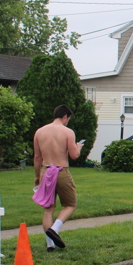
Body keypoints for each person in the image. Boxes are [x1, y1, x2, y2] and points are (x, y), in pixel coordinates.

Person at [32, 105, 84, 251]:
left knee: (48, 208)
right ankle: (55, 229)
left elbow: (37, 157)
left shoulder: (39, 132)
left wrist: (37, 176)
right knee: (70, 204)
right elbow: (74, 155)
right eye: (68, 119)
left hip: (45, 170)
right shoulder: (67, 132)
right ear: (65, 116)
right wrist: (78, 148)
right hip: (61, 171)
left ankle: (50, 244)